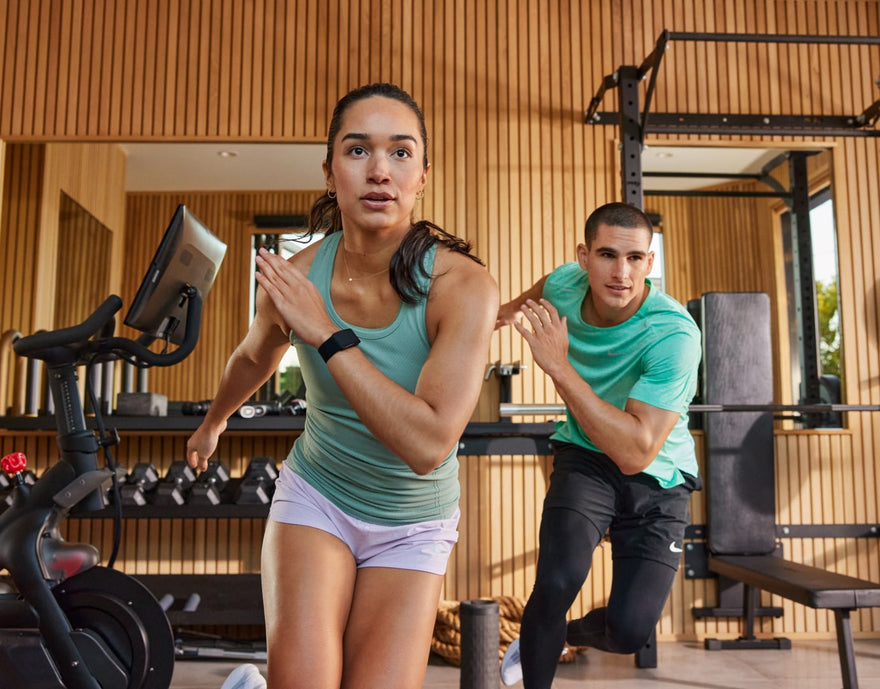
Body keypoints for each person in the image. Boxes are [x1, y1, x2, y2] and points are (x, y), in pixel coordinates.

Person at [187, 82, 498, 689]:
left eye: (401, 153)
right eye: (358, 151)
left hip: (413, 521)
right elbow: (253, 358)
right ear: (330, 172)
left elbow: (428, 442)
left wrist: (325, 331)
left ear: (423, 176)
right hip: (318, 497)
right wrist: (213, 421)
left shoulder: (462, 286)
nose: (380, 170)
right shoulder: (302, 277)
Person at [496, 202, 701, 687]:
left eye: (634, 259)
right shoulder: (563, 284)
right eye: (607, 255)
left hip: (658, 474)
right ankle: (542, 633)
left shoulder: (673, 333)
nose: (621, 273)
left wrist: (559, 367)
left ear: (650, 263)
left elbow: (636, 450)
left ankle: (554, 633)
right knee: (555, 583)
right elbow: (511, 309)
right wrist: (462, 326)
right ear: (583, 257)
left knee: (629, 630)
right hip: (585, 457)